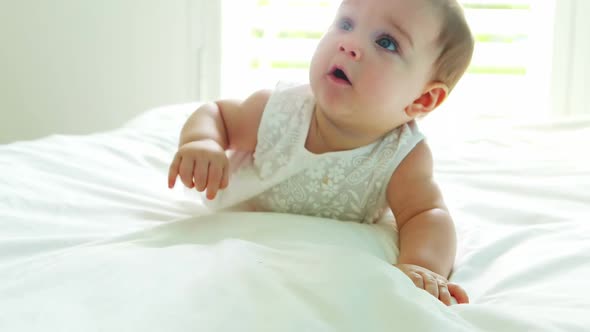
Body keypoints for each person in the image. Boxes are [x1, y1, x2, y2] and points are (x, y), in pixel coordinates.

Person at [168, 0, 474, 306]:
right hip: (238, 236)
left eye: (386, 42)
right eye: (346, 24)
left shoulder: (402, 156)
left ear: (423, 98)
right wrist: (202, 142)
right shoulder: (279, 111)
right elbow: (217, 114)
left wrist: (423, 265)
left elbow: (426, 215)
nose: (349, 44)